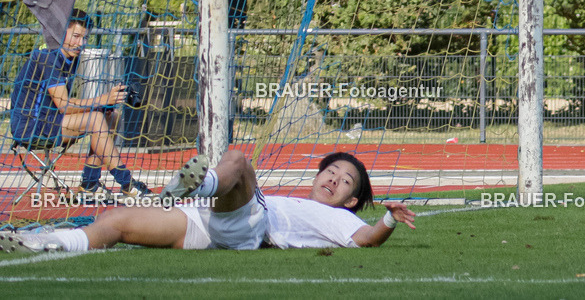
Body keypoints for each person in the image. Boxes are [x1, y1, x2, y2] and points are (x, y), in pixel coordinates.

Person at [0, 150, 415, 252]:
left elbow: (364, 238)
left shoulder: (335, 218)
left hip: (250, 226)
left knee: (237, 159)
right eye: (331, 171)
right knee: (117, 220)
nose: (333, 180)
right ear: (318, 174)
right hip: (207, 226)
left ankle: (200, 184)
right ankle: (49, 243)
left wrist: (389, 221)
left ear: (350, 200)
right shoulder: (296, 198)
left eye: (345, 181)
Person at [10, 8, 150, 201]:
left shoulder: (70, 59)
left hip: (50, 121)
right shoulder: (48, 57)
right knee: (95, 118)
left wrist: (106, 103)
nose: (80, 43)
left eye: (84, 38)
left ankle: (89, 184)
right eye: (76, 36)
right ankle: (127, 184)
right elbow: (64, 106)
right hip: (30, 126)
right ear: (61, 32)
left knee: (110, 115)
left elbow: (65, 103)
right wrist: (101, 100)